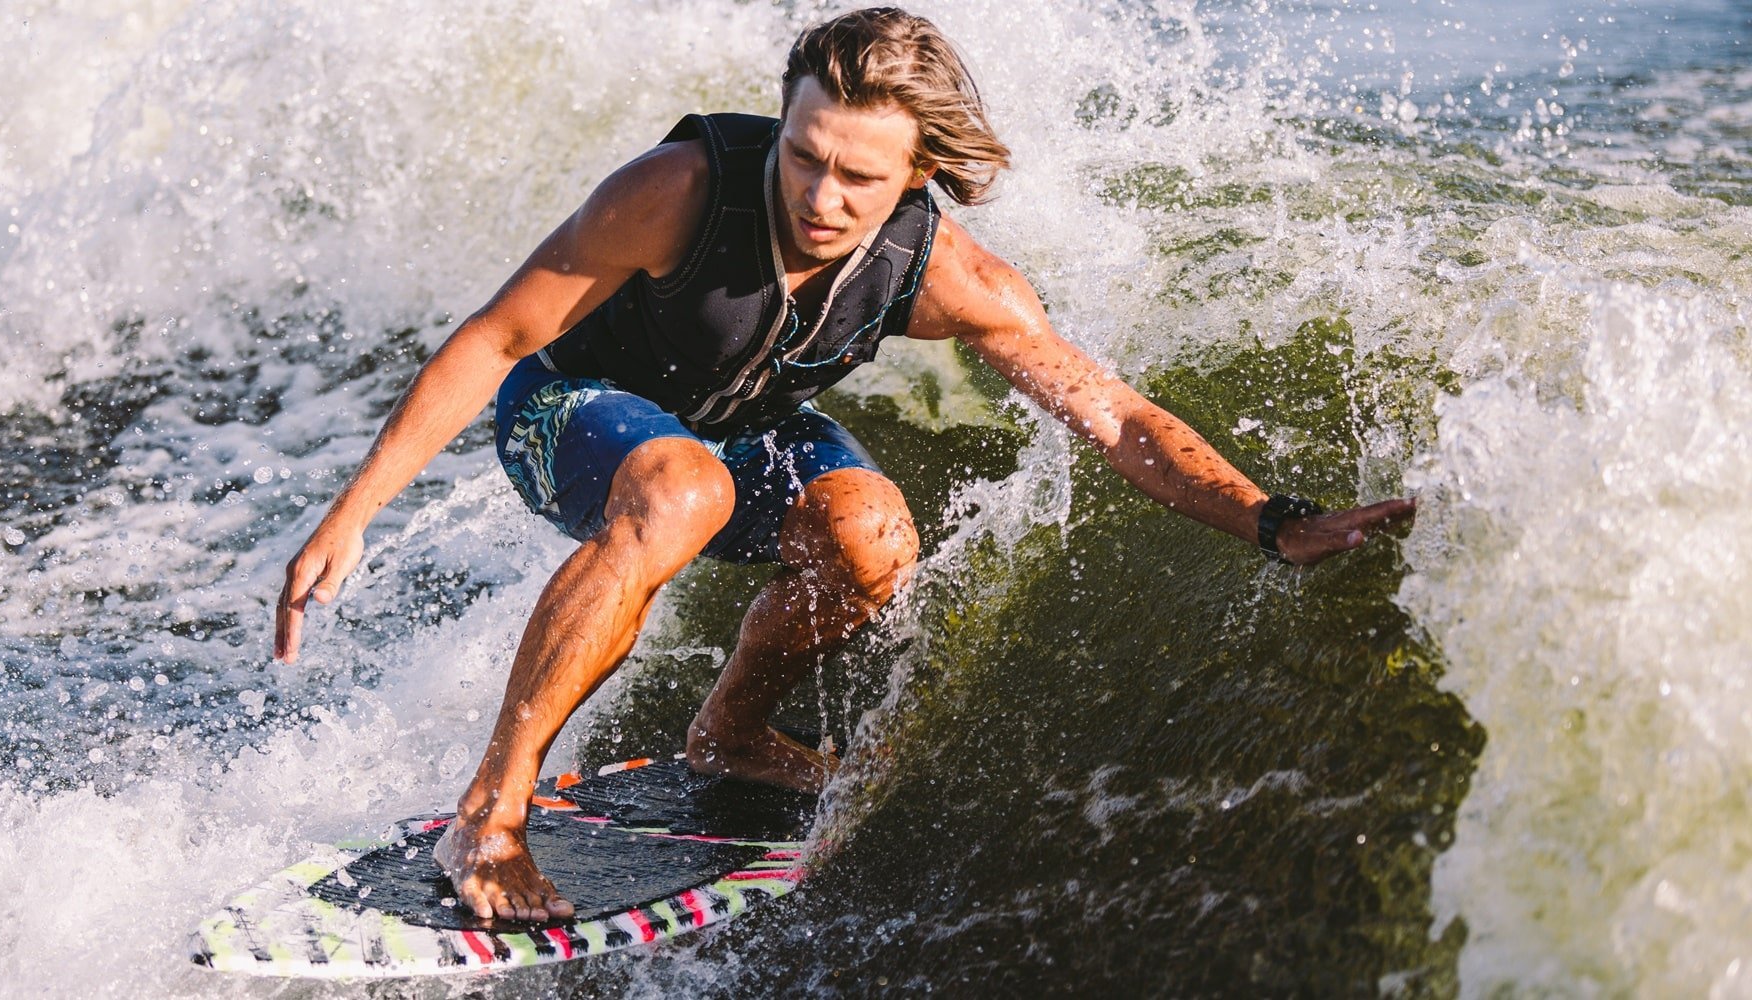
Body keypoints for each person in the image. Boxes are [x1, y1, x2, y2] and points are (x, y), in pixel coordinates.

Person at [272, 7, 1414, 924]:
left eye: (860, 180)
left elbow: (1109, 415)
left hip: (734, 423)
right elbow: (496, 339)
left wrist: (1273, 519)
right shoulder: (678, 191)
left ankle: (730, 728)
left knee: (873, 536)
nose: (821, 199)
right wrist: (353, 512)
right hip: (566, 413)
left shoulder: (947, 270)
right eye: (805, 157)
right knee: (683, 488)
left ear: (915, 177)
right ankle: (494, 807)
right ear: (783, 120)